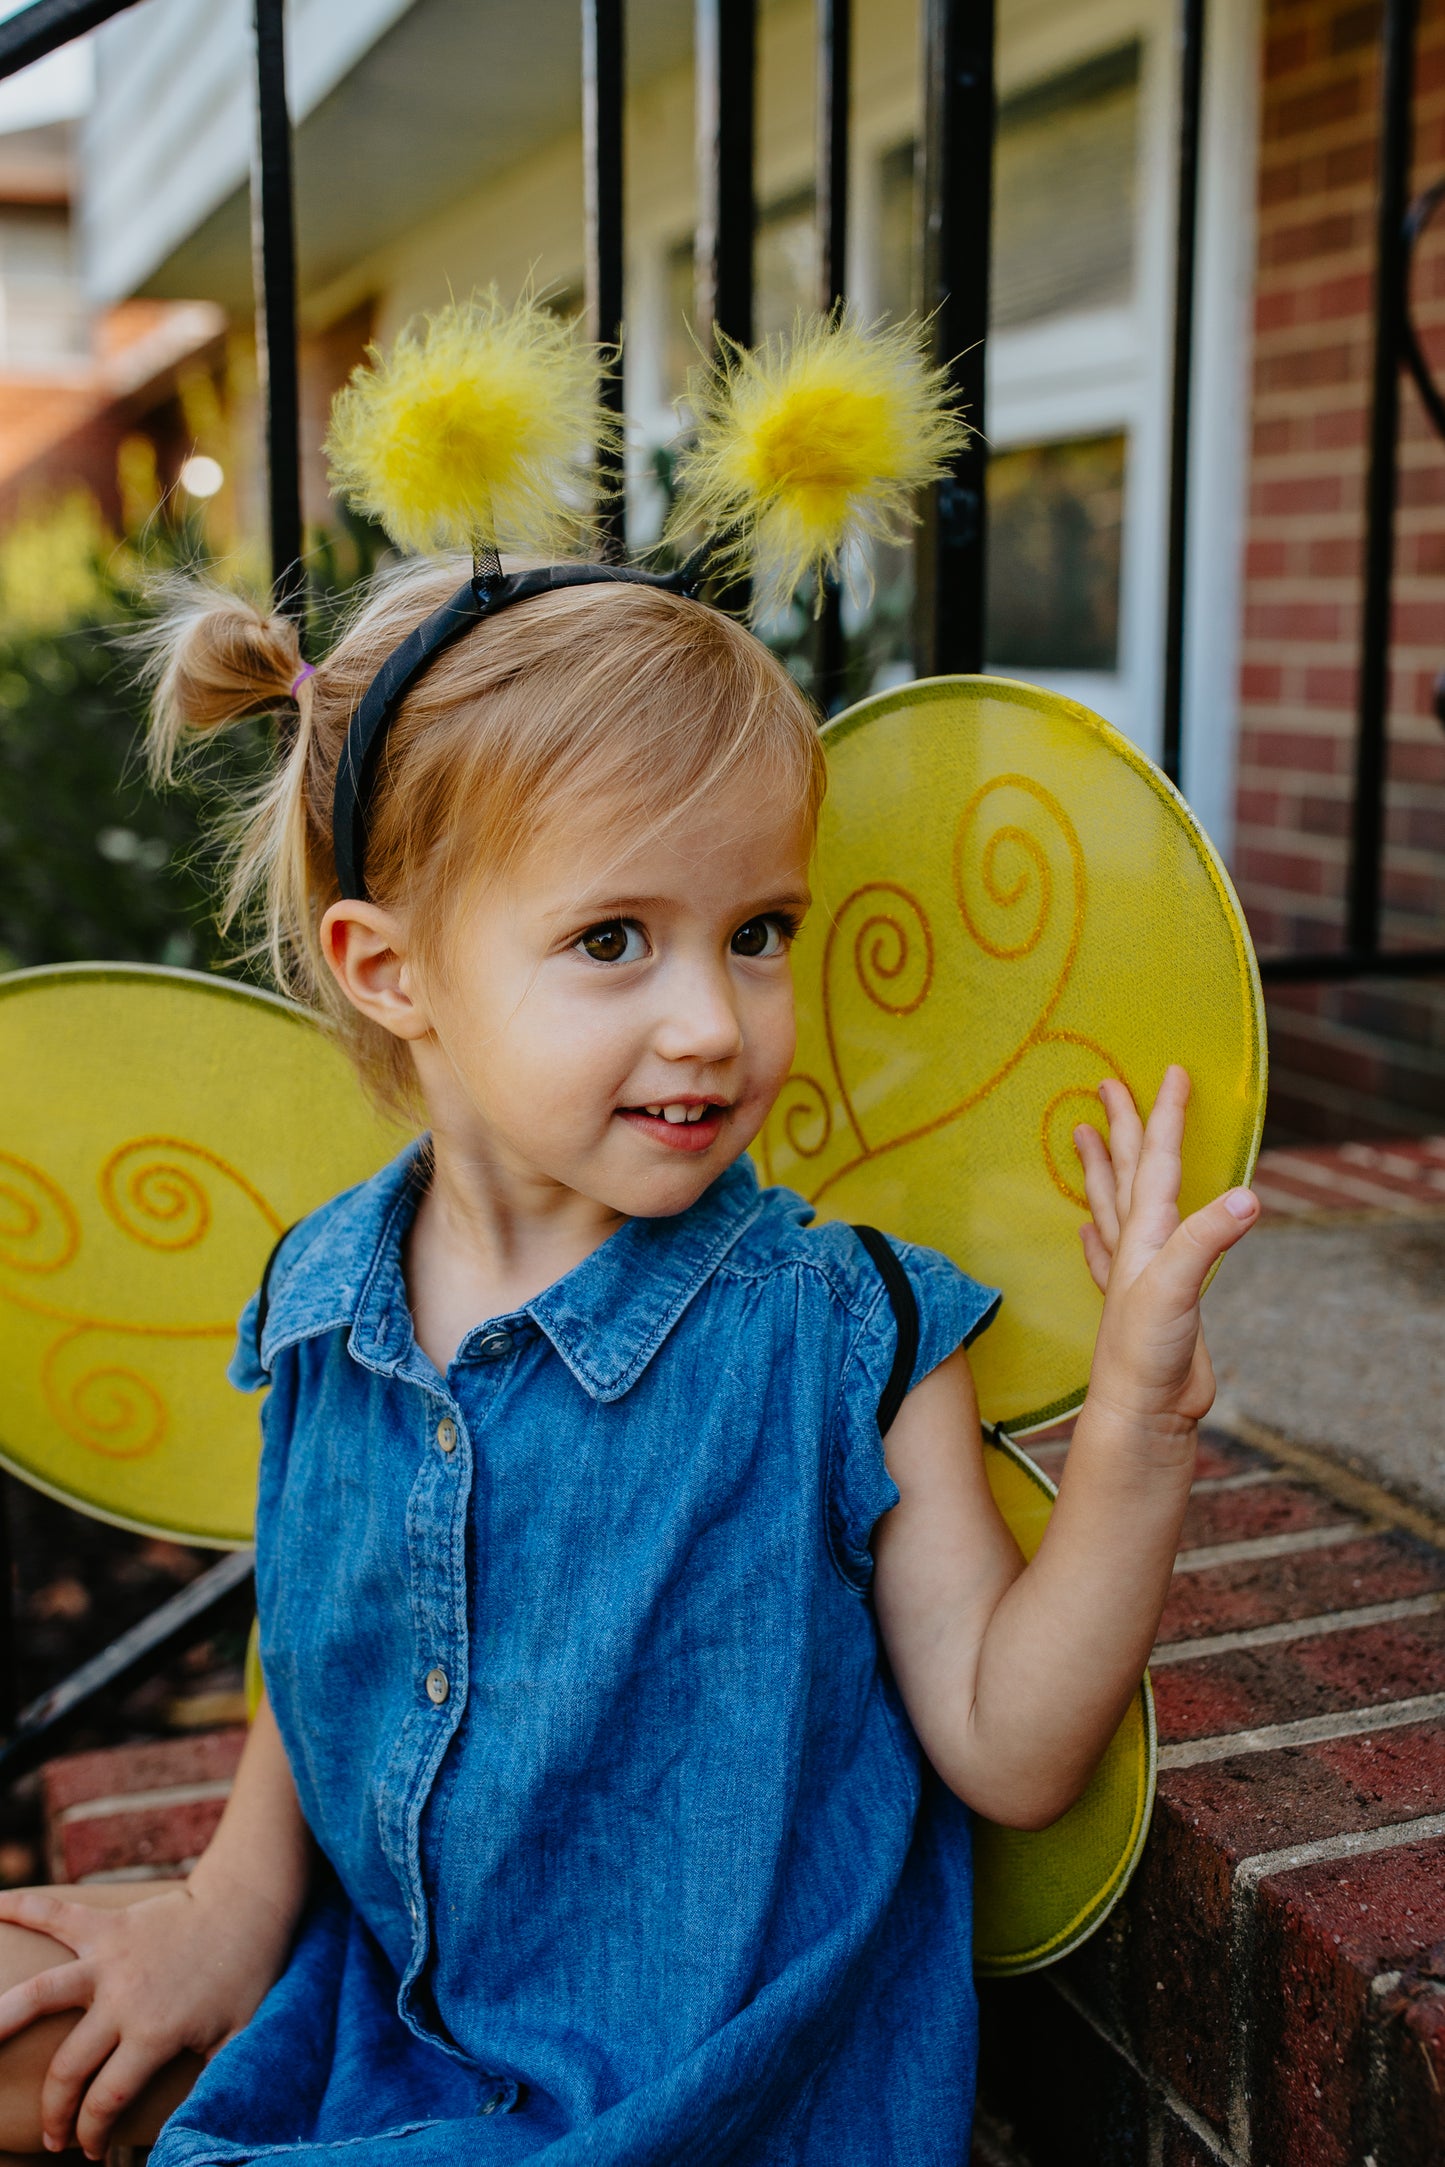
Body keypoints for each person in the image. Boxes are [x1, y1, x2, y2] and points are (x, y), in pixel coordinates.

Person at [0, 306, 1259, 2166]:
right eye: (615, 941)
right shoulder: (323, 1295)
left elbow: (1008, 1745)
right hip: (397, 2002)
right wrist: (220, 1906)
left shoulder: (843, 1333)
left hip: (701, 2096)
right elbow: (325, 1636)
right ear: (393, 970)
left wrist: (1139, 1435)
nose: (713, 1019)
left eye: (755, 929)